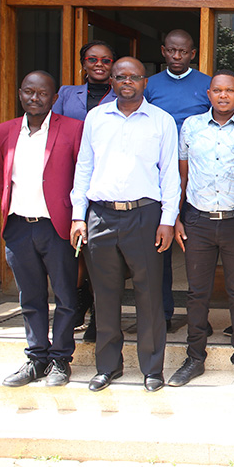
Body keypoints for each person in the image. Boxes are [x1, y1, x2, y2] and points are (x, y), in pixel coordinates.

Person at [70, 57, 180, 393]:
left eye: (133, 77)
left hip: (144, 215)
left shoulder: (162, 121)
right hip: (101, 215)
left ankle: (151, 369)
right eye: (120, 77)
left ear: (145, 82)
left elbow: (170, 175)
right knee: (105, 296)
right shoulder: (96, 118)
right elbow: (84, 167)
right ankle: (107, 367)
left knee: (149, 297)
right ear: (112, 82)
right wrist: (79, 215)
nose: (126, 82)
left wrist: (167, 220)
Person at [168, 74, 234, 389]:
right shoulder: (192, 126)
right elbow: (182, 175)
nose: (223, 96)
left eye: (230, 91)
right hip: (198, 219)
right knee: (197, 293)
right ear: (209, 94)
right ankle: (195, 358)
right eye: (218, 90)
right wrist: (178, 216)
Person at [0, 71, 84, 387]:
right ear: (20, 94)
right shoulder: (4, 132)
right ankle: (35, 358)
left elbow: (80, 176)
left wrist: (77, 219)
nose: (35, 98)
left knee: (65, 296)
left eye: (42, 93)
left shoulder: (73, 129)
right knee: (30, 297)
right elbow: (1, 179)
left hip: (56, 227)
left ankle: (60, 360)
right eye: (29, 92)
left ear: (54, 97)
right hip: (19, 227)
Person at [144, 29, 212, 331]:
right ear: (163, 50)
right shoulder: (150, 85)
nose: (176, 56)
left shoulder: (208, 85)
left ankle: (201, 318)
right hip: (156, 173)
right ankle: (165, 313)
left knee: (196, 249)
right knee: (161, 244)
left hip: (196, 175)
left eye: (182, 51)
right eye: (171, 50)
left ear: (192, 54)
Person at [52, 39, 119, 341]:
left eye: (106, 60)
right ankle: (78, 304)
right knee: (75, 247)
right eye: (93, 59)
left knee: (101, 253)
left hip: (106, 180)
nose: (100, 65)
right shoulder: (67, 94)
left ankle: (99, 314)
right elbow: (52, 128)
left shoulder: (122, 94)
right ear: (83, 64)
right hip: (71, 176)